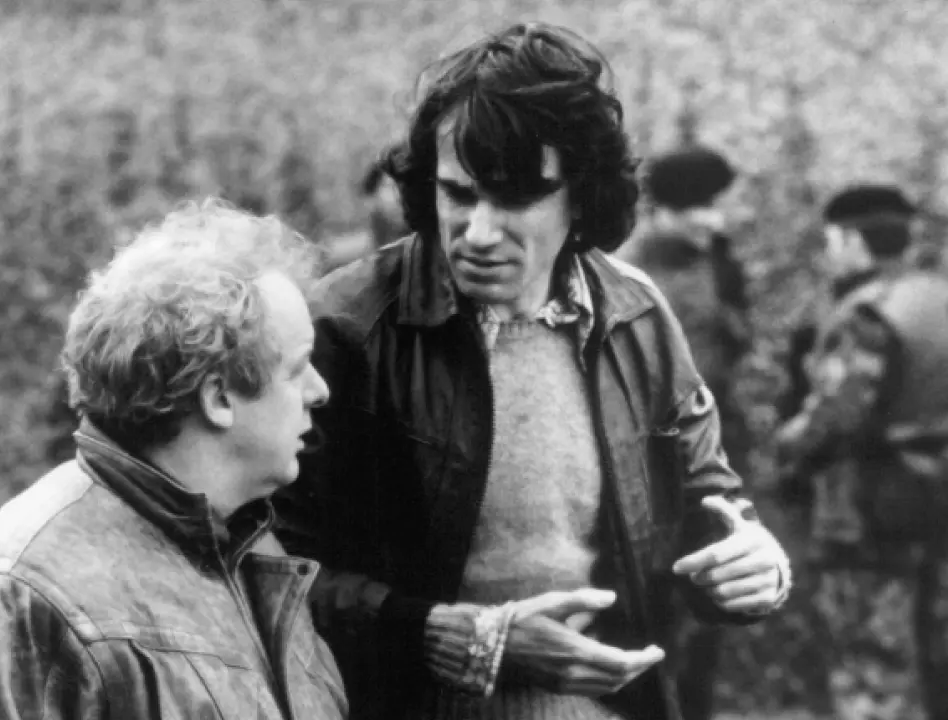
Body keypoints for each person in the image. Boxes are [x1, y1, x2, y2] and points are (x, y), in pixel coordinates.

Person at [274, 22, 791, 720]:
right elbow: (267, 564)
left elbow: (710, 500)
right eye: (458, 194)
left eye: (517, 198)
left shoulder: (636, 315)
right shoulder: (344, 326)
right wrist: (456, 640)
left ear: (581, 196)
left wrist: (751, 561)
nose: (481, 233)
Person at [0, 199, 347, 720]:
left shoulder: (252, 549)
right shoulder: (12, 595)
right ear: (218, 398)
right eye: (296, 369)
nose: (319, 390)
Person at [776, 183, 948, 720]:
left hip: (868, 513)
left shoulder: (868, 314)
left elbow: (836, 418)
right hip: (935, 505)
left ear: (854, 241)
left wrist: (787, 448)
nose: (828, 255)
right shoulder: (936, 298)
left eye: (831, 241)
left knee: (870, 663)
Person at [618, 145, 754, 720]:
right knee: (644, 611)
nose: (711, 220)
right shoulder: (626, 270)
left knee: (709, 604)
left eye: (715, 206)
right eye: (698, 207)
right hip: (643, 465)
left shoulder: (720, 262)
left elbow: (736, 346)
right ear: (664, 211)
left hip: (712, 456)